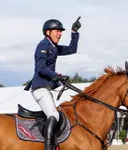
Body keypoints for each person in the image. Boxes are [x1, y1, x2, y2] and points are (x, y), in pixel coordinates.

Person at [24, 17, 81, 150]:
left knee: (58, 115)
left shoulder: (53, 47)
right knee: (54, 115)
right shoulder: (43, 45)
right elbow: (41, 69)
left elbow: (72, 49)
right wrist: (57, 76)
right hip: (39, 88)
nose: (60, 34)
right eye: (57, 31)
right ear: (48, 32)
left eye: (61, 32)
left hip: (46, 88)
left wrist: (74, 32)